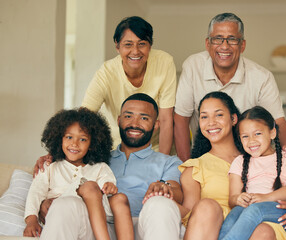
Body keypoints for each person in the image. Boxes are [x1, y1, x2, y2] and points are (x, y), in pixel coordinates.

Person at [34, 93, 183, 240]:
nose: (135, 123)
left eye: (144, 118)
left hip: (146, 225)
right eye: (128, 116)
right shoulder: (94, 157)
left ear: (156, 125)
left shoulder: (169, 162)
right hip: (98, 225)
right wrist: (46, 201)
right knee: (64, 205)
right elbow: (66, 174)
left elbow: (177, 192)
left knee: (161, 203)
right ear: (118, 120)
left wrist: (165, 187)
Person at [174, 12, 286, 162]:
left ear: (242, 45)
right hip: (203, 155)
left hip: (249, 158)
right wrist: (186, 165)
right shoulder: (192, 66)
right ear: (207, 44)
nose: (224, 46)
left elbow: (279, 122)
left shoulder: (262, 77)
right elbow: (181, 119)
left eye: (232, 39)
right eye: (217, 39)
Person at [178, 92, 286, 240]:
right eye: (204, 116)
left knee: (261, 228)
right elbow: (190, 214)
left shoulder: (276, 157)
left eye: (218, 115)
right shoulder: (199, 167)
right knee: (226, 209)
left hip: (267, 223)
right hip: (221, 227)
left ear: (233, 119)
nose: (211, 122)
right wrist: (164, 199)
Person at [23, 108, 134, 240]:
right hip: (62, 212)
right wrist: (31, 220)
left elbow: (108, 183)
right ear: (60, 139)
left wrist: (109, 186)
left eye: (82, 139)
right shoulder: (50, 167)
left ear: (92, 144)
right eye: (69, 137)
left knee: (117, 197)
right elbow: (36, 192)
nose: (74, 144)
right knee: (89, 186)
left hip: (93, 217)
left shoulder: (99, 167)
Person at [82, 16, 176, 154]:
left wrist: (161, 162)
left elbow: (166, 119)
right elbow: (84, 117)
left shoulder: (164, 63)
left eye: (142, 44)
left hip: (154, 147)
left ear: (150, 45)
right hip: (115, 148)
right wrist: (56, 153)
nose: (135, 51)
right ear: (117, 46)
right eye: (128, 44)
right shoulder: (106, 73)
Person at [218, 106, 286, 240]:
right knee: (234, 214)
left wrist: (266, 197)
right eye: (245, 136)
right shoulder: (239, 162)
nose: (251, 140)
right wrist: (238, 199)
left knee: (255, 210)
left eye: (258, 133)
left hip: (283, 214)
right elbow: (232, 198)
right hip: (250, 212)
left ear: (272, 133)